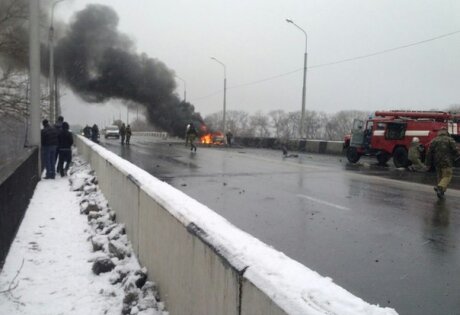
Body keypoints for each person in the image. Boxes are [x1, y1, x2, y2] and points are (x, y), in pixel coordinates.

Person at [425, 128, 459, 198]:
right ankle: (440, 187)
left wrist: (427, 163)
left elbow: (429, 153)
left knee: (440, 177)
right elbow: (455, 150)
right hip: (447, 162)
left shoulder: (434, 140)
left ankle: (441, 192)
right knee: (447, 176)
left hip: (437, 162)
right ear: (446, 132)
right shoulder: (450, 139)